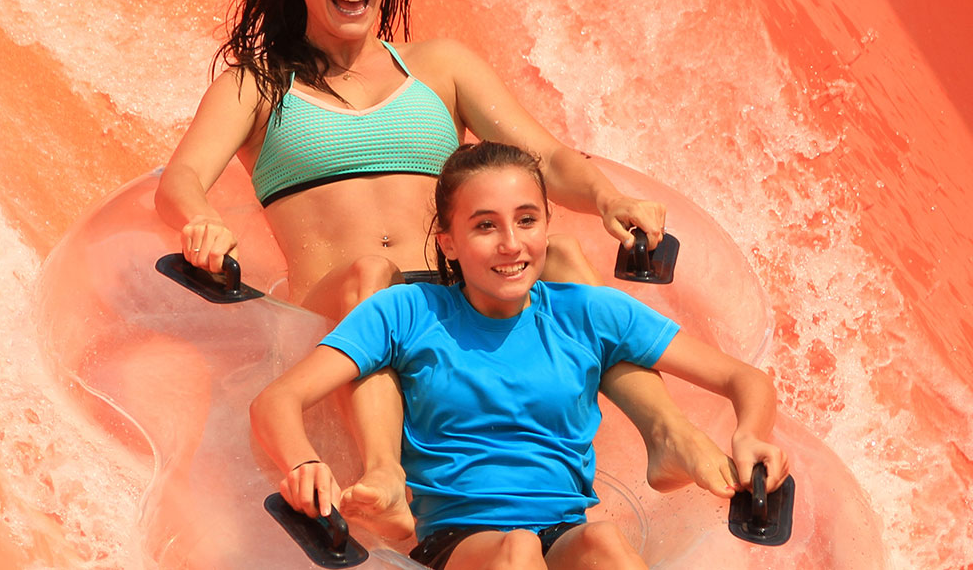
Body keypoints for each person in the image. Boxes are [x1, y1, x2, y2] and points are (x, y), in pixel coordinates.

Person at [154, 0, 735, 540]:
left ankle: (668, 433)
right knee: (371, 274)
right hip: (335, 310)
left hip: (445, 304)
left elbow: (547, 160)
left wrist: (605, 197)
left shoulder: (440, 67)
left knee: (562, 258)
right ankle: (386, 476)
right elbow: (180, 181)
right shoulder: (259, 84)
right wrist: (202, 222)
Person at [250, 141, 789, 570]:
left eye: (527, 220)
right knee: (516, 552)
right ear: (449, 242)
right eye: (485, 226)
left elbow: (745, 380)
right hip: (459, 540)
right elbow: (278, 400)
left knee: (606, 543)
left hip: (562, 530)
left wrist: (750, 435)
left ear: (547, 226)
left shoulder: (586, 312)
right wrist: (303, 463)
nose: (511, 244)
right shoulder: (408, 311)